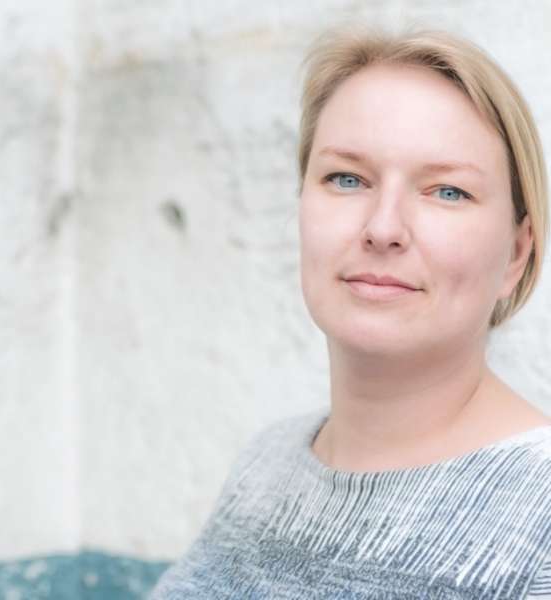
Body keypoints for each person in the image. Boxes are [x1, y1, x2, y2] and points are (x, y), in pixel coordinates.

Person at [150, 24, 551, 599]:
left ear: (516, 253)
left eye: (447, 191)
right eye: (347, 179)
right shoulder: (265, 467)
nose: (383, 228)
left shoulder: (540, 519)